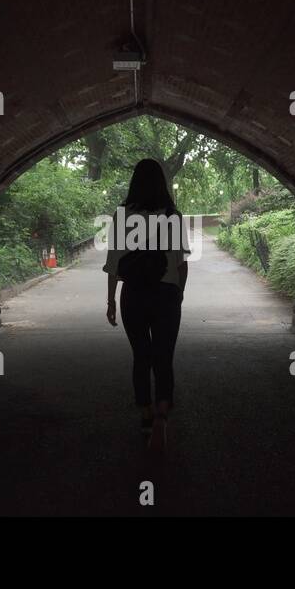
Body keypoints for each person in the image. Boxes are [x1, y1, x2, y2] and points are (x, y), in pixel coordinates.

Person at [103, 158, 189, 451]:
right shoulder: (173, 216)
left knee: (142, 356)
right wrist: (178, 295)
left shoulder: (121, 216)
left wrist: (111, 301)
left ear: (134, 182)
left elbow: (113, 264)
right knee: (164, 356)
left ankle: (146, 414)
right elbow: (181, 264)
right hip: (166, 294)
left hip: (134, 295)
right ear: (162, 183)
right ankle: (163, 413)